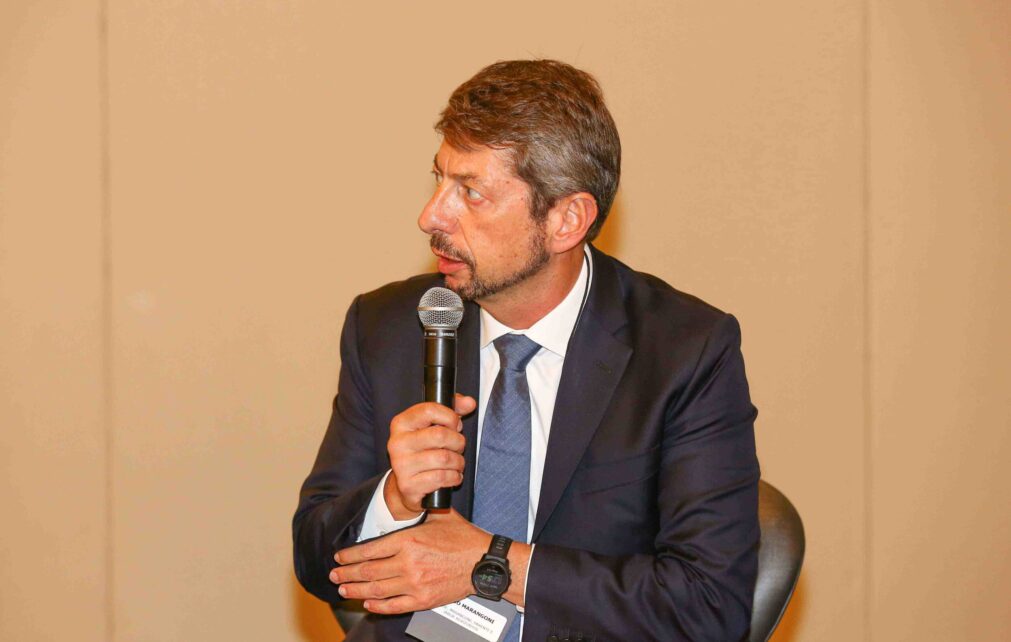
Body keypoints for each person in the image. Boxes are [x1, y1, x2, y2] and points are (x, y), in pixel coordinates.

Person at [293, 59, 760, 641]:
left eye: (471, 192)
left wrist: (491, 564)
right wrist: (393, 497)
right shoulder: (389, 326)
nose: (430, 216)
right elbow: (314, 561)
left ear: (567, 220)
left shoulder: (684, 351)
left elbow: (709, 608)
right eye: (438, 180)